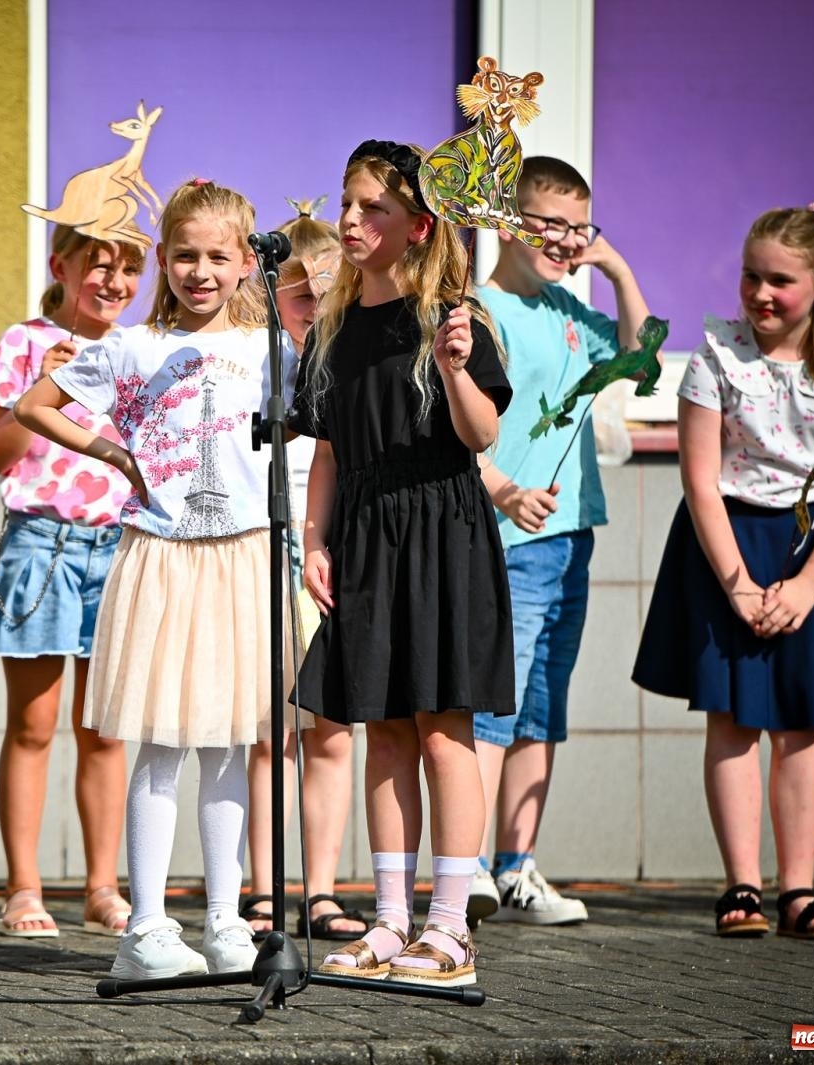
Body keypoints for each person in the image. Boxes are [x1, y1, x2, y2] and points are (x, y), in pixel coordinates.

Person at [15, 178, 292, 980]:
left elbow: (308, 437)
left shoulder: (271, 347)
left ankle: (226, 922)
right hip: (164, 555)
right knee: (163, 742)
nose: (199, 270)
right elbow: (37, 406)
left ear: (247, 261)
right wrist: (110, 452)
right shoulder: (129, 349)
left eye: (216, 255)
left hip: (243, 552)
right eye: (182, 255)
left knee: (232, 743)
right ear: (164, 259)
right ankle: (144, 927)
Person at [292, 140, 514, 989]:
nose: (350, 221)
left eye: (372, 208)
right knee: (380, 728)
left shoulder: (456, 316)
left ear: (418, 226)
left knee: (441, 729)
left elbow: (481, 435)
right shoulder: (335, 329)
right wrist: (315, 541)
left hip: (443, 527)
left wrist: (457, 368)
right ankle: (390, 920)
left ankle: (450, 928)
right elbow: (327, 451)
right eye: (347, 204)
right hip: (366, 533)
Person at [634, 199, 814, 940]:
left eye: (780, 281)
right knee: (735, 719)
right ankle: (741, 885)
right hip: (724, 547)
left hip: (812, 551)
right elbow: (700, 481)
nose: (760, 294)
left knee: (802, 721)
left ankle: (798, 889)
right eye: (750, 276)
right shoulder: (716, 359)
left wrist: (807, 584)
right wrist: (739, 583)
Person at [469, 156, 651, 926]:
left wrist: (614, 267)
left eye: (578, 226)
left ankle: (517, 866)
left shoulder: (570, 311)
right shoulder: (480, 308)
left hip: (571, 532)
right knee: (491, 706)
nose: (564, 240)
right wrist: (503, 487)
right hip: (505, 535)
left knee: (543, 704)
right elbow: (454, 424)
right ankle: (465, 865)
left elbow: (642, 364)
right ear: (509, 221)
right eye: (547, 222)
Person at [0, 224, 144, 938]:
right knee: (33, 725)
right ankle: (24, 886)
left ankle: (103, 885)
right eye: (98, 265)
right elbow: (0, 453)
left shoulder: (137, 350)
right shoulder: (25, 340)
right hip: (43, 544)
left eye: (129, 269)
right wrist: (52, 388)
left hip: (120, 545)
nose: (113, 282)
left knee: (104, 729)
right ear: (60, 266)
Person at [240, 202, 363, 941]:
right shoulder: (259, 358)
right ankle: (264, 890)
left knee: (334, 728)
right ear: (272, 296)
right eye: (298, 295)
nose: (313, 308)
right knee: (268, 732)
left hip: (334, 555)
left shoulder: (349, 359)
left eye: (327, 293)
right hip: (262, 550)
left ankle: (321, 889)